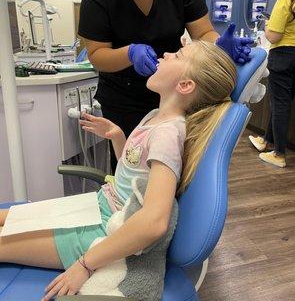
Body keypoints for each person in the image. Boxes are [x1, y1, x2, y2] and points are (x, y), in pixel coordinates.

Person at [0, 41, 236, 299]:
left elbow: (155, 222)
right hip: (97, 206)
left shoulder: (168, 134)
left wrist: (85, 264)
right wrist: (117, 137)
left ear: (185, 85)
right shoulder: (156, 117)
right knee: (8, 216)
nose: (166, 53)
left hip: (102, 230)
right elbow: (133, 174)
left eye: (177, 55)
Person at [78, 0, 251, 171]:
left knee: (170, 168)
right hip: (122, 100)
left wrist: (218, 45)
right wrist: (129, 53)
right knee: (128, 168)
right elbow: (97, 54)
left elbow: (203, 32)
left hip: (173, 97)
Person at [249, 0, 295, 168]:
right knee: (282, 103)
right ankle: (266, 140)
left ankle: (278, 154)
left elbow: (274, 36)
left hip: (283, 56)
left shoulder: (286, 0)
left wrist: (267, 26)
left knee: (279, 104)